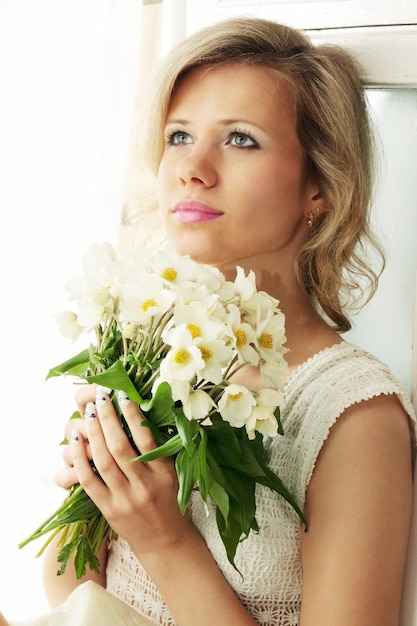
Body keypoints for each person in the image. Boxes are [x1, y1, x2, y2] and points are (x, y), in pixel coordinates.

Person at [38, 16, 415, 626]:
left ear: (318, 185)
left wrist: (165, 541)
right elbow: (75, 595)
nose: (191, 168)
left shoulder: (352, 413)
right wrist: (95, 487)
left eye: (240, 139)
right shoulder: (153, 347)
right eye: (179, 135)